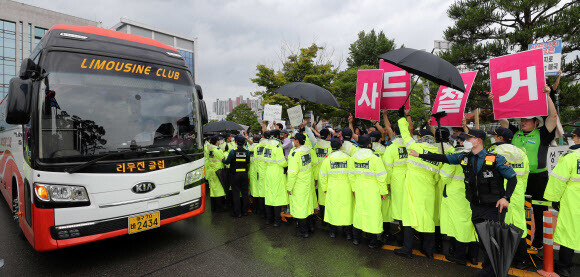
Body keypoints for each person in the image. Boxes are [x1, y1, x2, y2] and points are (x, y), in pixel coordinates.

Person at [409, 128, 518, 277]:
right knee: (484, 242)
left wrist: (506, 197)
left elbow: (512, 178)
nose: (465, 141)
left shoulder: (495, 158)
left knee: (493, 242)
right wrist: (420, 154)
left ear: (478, 141)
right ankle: (490, 271)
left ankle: (491, 273)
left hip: (494, 207)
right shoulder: (464, 157)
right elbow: (444, 158)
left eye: (468, 138)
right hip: (476, 206)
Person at [491, 85, 558, 248]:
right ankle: (518, 240)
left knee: (539, 209)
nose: (523, 122)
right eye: (522, 120)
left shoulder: (542, 133)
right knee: (516, 208)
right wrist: (496, 102)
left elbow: (553, 116)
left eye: (527, 120)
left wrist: (548, 95)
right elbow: (503, 121)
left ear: (536, 122)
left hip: (537, 178)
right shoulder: (515, 133)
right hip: (517, 179)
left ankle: (539, 240)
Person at [393, 110, 442, 259]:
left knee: (408, 216)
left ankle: (407, 249)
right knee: (427, 219)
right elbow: (437, 176)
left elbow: (405, 133)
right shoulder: (439, 155)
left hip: (412, 188)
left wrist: (402, 117)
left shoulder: (415, 148)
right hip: (428, 190)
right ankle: (428, 250)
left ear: (421, 139)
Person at [487, 128, 530, 269]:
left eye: (494, 135)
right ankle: (522, 259)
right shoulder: (522, 153)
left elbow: (487, 173)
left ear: (499, 138)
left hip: (500, 193)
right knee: (518, 224)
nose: (493, 138)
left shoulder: (492, 153)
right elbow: (525, 175)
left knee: (499, 225)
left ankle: (502, 259)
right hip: (517, 192)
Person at [544, 127, 580, 277]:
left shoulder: (571, 156)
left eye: (573, 137)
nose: (572, 139)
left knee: (568, 231)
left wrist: (554, 199)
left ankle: (564, 266)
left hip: (573, 199)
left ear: (577, 138)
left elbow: (558, 180)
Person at [439, 137, 479, 266]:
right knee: (473, 222)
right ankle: (474, 256)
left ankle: (459, 255)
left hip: (457, 193)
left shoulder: (456, 156)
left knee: (459, 223)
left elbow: (445, 176)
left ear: (460, 142)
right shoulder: (479, 154)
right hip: (475, 192)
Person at [350, 135, 388, 249]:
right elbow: (381, 177)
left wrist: (354, 189)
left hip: (359, 188)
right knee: (373, 213)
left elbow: (351, 176)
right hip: (373, 189)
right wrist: (383, 192)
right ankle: (372, 240)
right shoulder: (375, 158)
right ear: (369, 145)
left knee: (359, 211)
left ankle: (356, 238)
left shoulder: (353, 158)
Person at [319, 138, 355, 240]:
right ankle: (347, 232)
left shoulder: (327, 159)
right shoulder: (348, 158)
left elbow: (322, 175)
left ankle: (333, 231)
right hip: (346, 187)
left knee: (332, 209)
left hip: (332, 187)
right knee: (346, 209)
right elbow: (352, 175)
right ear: (341, 146)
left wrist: (325, 188)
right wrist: (353, 189)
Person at [381, 122, 409, 245]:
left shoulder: (391, 147)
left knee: (399, 207)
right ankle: (409, 235)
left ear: (395, 133)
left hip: (397, 179)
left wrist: (387, 183)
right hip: (411, 177)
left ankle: (403, 236)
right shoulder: (411, 145)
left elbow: (387, 167)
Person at [286, 133, 317, 238]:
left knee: (300, 208)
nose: (293, 141)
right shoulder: (307, 150)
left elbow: (292, 173)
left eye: (294, 140)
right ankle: (310, 227)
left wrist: (289, 187)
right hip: (307, 182)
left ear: (297, 141)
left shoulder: (295, 154)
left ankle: (303, 231)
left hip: (299, 184)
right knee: (308, 206)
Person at [263, 129, 288, 227]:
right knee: (277, 197)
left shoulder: (267, 146)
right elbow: (282, 162)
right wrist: (286, 162)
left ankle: (269, 219)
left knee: (269, 195)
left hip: (268, 171)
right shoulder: (277, 147)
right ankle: (277, 220)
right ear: (277, 136)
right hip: (277, 172)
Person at [223, 135, 251, 217]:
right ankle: (245, 212)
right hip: (244, 175)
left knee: (236, 194)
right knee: (245, 194)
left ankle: (237, 213)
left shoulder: (232, 151)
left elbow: (227, 161)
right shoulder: (247, 151)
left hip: (235, 175)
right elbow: (248, 161)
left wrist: (223, 160)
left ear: (236, 142)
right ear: (244, 143)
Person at [313, 128, 332, 221]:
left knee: (321, 197)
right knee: (329, 197)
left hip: (319, 174)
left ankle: (323, 217)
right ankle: (329, 218)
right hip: (329, 175)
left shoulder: (316, 146)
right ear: (328, 135)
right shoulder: (330, 146)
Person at [206, 136, 227, 212]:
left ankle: (213, 207)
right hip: (218, 171)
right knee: (219, 189)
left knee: (213, 190)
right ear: (216, 141)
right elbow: (223, 159)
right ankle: (219, 208)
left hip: (211, 171)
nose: (219, 141)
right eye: (218, 140)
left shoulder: (209, 149)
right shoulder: (217, 150)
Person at [248, 135, 261, 214]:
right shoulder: (260, 147)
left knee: (253, 188)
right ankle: (259, 208)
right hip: (259, 169)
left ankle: (254, 207)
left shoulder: (249, 148)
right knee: (259, 188)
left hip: (251, 169)